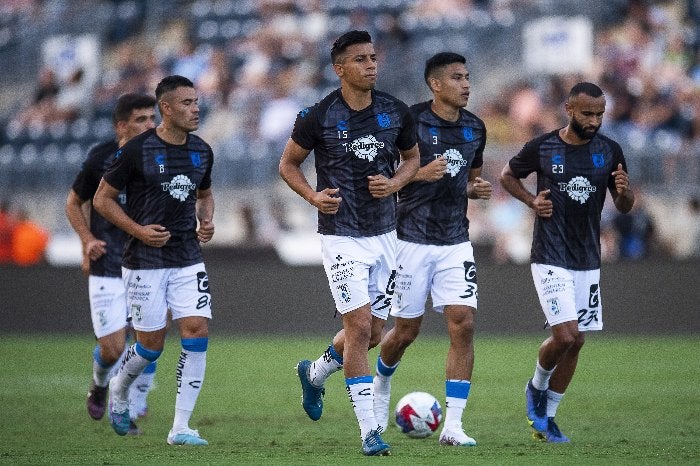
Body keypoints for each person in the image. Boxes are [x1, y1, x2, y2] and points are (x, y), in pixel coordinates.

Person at [278, 30, 419, 456]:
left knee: (374, 333)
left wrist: (393, 182)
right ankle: (369, 431)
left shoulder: (396, 112)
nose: (371, 65)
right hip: (340, 236)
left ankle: (315, 373)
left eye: (373, 57)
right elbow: (288, 164)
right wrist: (312, 196)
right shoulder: (318, 115)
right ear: (339, 68)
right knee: (357, 327)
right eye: (360, 59)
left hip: (386, 236)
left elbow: (412, 160)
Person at [499, 82, 635, 443]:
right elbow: (507, 176)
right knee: (565, 334)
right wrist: (531, 201)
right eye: (587, 114)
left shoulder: (610, 150)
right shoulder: (544, 147)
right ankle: (536, 387)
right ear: (569, 110)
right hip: (550, 253)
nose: (594, 121)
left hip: (587, 257)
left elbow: (624, 204)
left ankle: (550, 417)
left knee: (577, 342)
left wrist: (624, 193)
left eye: (600, 115)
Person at [371, 52, 492, 447]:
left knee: (464, 323)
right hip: (408, 240)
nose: (466, 84)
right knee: (405, 331)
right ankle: (381, 382)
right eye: (457, 78)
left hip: (455, 241)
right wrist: (417, 173)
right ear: (435, 84)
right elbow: (382, 180)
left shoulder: (476, 127)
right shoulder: (409, 121)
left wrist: (478, 189)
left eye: (468, 77)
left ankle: (454, 426)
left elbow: (470, 179)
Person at [93, 75, 215, 446]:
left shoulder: (202, 150)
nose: (195, 109)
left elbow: (205, 194)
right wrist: (138, 230)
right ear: (166, 108)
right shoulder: (136, 151)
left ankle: (180, 427)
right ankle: (119, 387)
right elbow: (102, 200)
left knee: (196, 331)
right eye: (187, 103)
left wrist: (206, 219)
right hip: (144, 260)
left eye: (196, 102)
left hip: (187, 257)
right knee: (150, 345)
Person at [65, 93, 158, 435]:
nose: (152, 124)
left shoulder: (162, 155)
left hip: (148, 262)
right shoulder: (100, 158)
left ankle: (132, 404)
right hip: (108, 263)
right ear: (122, 125)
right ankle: (100, 383)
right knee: (113, 347)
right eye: (142, 119)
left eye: (153, 117)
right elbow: (74, 204)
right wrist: (86, 240)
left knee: (149, 338)